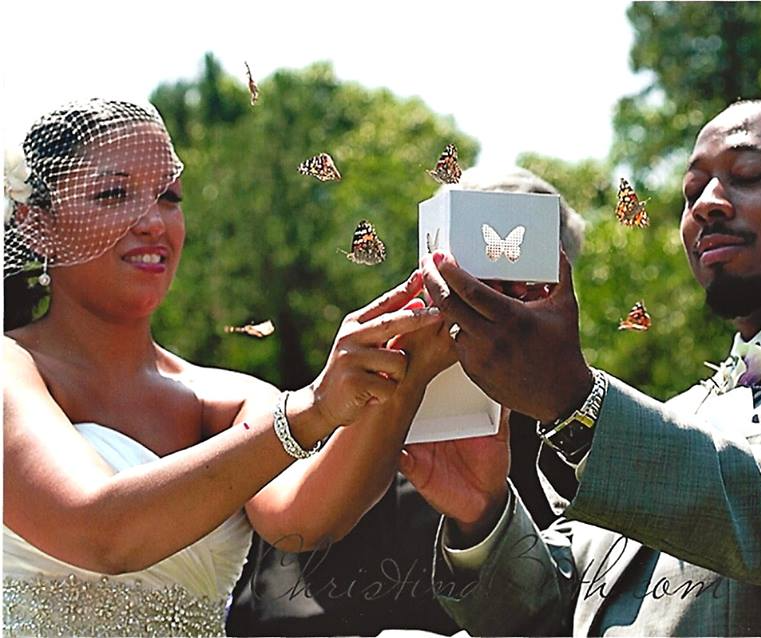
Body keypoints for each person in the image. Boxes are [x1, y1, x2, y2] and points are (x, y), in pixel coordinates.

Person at [402, 99, 761, 636]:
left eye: (748, 175)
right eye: (692, 190)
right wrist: (483, 513)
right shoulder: (682, 412)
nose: (707, 203)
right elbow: (552, 609)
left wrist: (575, 404)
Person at [2, 98, 450, 637]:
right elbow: (101, 532)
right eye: (114, 193)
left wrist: (399, 374)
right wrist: (310, 411)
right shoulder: (12, 370)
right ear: (36, 224)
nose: (153, 222)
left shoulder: (227, 397)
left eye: (169, 197)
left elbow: (303, 521)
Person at [225, 165, 586, 636]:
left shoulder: (585, 445)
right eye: (477, 273)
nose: (501, 301)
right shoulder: (366, 404)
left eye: (527, 281)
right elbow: (276, 604)